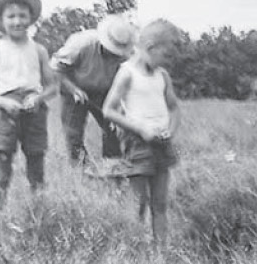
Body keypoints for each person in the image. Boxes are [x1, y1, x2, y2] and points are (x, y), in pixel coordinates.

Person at [0, 0, 56, 208]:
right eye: (11, 16)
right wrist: (3, 102)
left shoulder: (39, 50)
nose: (17, 21)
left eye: (22, 16)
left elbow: (53, 87)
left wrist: (38, 99)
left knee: (36, 165)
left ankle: (39, 213)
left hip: (33, 110)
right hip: (5, 111)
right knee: (2, 166)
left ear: (31, 19)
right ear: (1, 20)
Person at [102, 20, 181, 248]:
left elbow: (174, 108)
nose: (167, 63)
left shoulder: (162, 75)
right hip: (138, 143)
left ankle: (161, 251)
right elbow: (109, 110)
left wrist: (171, 132)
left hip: (162, 143)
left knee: (160, 203)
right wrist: (141, 129)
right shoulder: (127, 73)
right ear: (150, 47)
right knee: (139, 202)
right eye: (165, 56)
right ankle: (133, 248)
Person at [51, 14, 135, 165]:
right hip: (74, 89)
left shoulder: (125, 55)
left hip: (104, 91)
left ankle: (112, 166)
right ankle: (82, 170)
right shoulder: (82, 44)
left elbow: (125, 83)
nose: (114, 55)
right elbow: (57, 69)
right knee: (73, 133)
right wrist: (73, 89)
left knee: (113, 127)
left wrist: (121, 109)